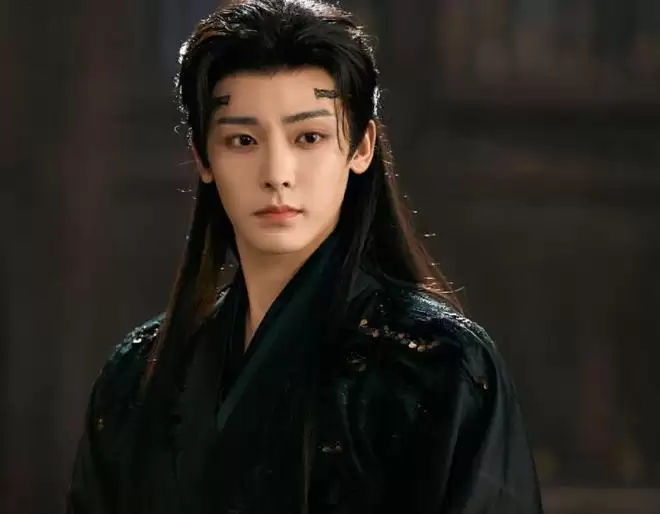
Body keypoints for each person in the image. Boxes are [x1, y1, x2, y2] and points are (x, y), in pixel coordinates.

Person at [67, 0, 543, 512]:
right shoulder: (137, 377)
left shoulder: (436, 367)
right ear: (203, 157)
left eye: (309, 137)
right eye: (242, 140)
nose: (277, 173)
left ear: (361, 147)